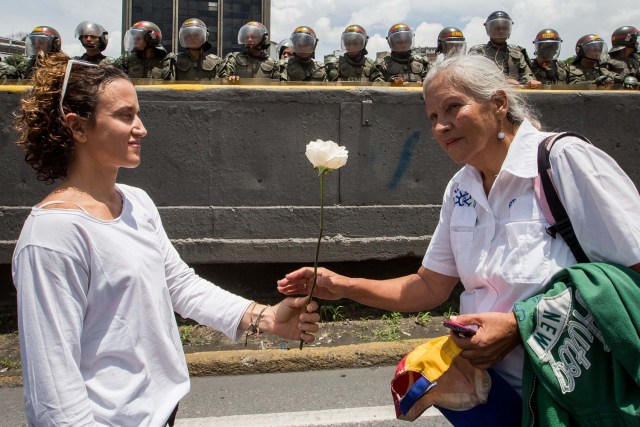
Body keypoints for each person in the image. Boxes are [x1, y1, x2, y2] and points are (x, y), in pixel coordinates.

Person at [278, 54, 640, 424]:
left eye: (453, 107)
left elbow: (633, 275)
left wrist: (518, 328)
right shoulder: (461, 188)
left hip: (575, 390)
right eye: (433, 117)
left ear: (498, 104)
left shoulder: (563, 161)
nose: (441, 127)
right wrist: (342, 285)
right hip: (495, 393)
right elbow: (429, 285)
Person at [11, 53, 320, 426]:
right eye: (125, 115)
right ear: (78, 127)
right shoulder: (53, 235)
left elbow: (179, 284)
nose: (141, 128)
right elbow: (53, 396)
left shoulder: (136, 203)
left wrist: (266, 317)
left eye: (137, 114)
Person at [468, 11, 541, 88]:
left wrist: (530, 81)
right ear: (488, 29)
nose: (501, 31)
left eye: (504, 28)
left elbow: (526, 73)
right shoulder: (478, 52)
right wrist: (502, 82)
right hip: (486, 95)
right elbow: (471, 77)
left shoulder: (516, 52)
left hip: (515, 95)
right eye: (497, 28)